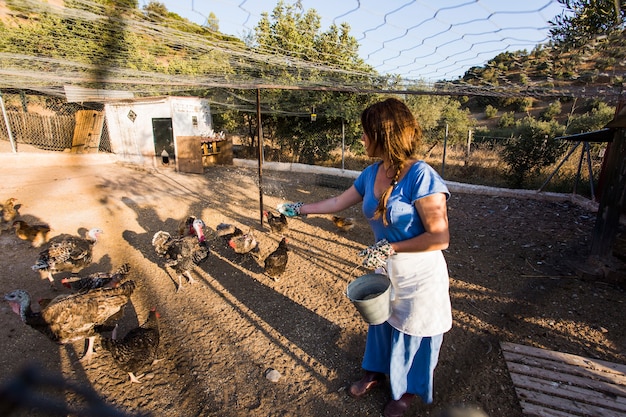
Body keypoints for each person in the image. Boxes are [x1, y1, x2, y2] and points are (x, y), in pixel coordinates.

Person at [278, 97, 452, 417]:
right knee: (381, 320)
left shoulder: (421, 176)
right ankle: (375, 371)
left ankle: (404, 392)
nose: (361, 138)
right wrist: (299, 209)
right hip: (387, 267)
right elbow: (336, 202)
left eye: (365, 132)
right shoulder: (372, 173)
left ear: (383, 134)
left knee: (412, 328)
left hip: (419, 272)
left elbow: (439, 237)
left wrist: (391, 248)